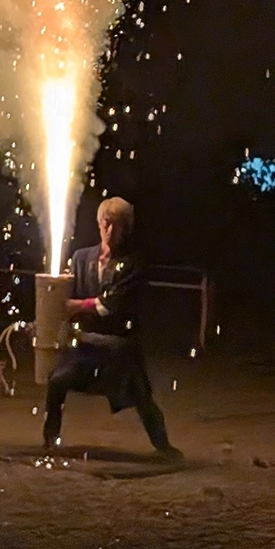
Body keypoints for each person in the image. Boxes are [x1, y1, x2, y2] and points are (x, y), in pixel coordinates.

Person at [43, 196, 179, 458]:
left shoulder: (133, 263)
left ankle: (163, 446)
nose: (111, 231)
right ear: (99, 224)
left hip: (119, 349)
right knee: (57, 381)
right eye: (107, 224)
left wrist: (75, 306)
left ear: (127, 228)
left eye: (119, 225)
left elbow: (110, 305)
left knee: (142, 398)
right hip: (86, 349)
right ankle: (50, 439)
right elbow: (60, 297)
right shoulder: (81, 258)